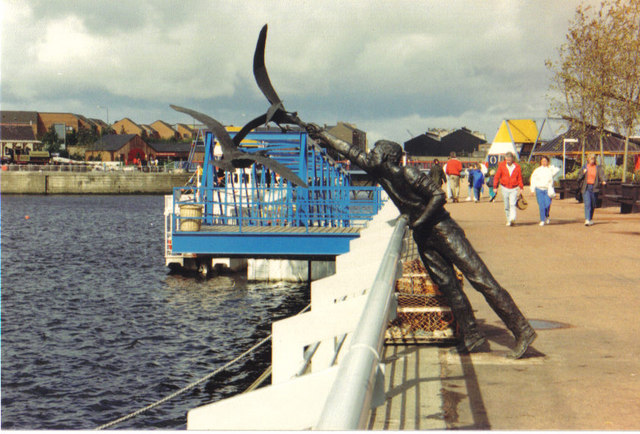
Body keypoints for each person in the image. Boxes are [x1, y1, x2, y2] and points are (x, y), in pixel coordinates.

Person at [304, 123, 537, 359]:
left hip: (443, 229)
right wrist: (320, 134)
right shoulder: (380, 172)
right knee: (448, 286)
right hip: (425, 235)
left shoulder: (409, 173)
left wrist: (419, 220)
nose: (369, 155)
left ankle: (522, 330)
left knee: (480, 278)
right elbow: (349, 151)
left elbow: (438, 195)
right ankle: (472, 336)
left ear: (386, 156)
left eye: (375, 151)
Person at [494, 152, 524, 226]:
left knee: (512, 204)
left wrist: (521, 187)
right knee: (506, 205)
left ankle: (512, 218)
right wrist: (495, 187)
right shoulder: (501, 166)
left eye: (509, 159)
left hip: (514, 188)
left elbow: (519, 177)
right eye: (507, 159)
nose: (508, 160)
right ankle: (508, 219)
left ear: (512, 159)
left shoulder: (517, 166)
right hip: (504, 187)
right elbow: (497, 176)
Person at [529, 156, 560, 226]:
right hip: (539, 189)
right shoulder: (537, 170)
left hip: (547, 190)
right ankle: (542, 219)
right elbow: (533, 179)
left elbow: (557, 169)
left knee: (547, 204)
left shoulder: (550, 170)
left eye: (545, 161)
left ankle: (547, 215)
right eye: (542, 161)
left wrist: (550, 166)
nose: (544, 162)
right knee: (541, 205)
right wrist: (532, 189)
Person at [578, 154, 606, 226]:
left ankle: (590, 218)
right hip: (586, 187)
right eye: (590, 159)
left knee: (593, 204)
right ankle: (587, 219)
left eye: (593, 159)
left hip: (594, 187)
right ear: (588, 159)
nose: (592, 160)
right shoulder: (584, 167)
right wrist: (583, 173)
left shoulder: (597, 168)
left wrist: (603, 180)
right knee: (587, 203)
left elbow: (601, 175)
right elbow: (578, 177)